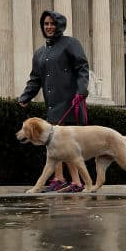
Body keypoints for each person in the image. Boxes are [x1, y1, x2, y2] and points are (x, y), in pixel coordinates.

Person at [18, 10, 89, 193]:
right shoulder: (40, 53)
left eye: (52, 23)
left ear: (59, 25)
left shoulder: (70, 43)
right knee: (54, 143)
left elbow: (82, 67)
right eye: (46, 24)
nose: (49, 27)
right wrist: (25, 96)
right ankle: (60, 179)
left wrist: (82, 90)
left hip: (70, 101)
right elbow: (35, 79)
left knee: (65, 145)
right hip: (52, 104)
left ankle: (76, 182)